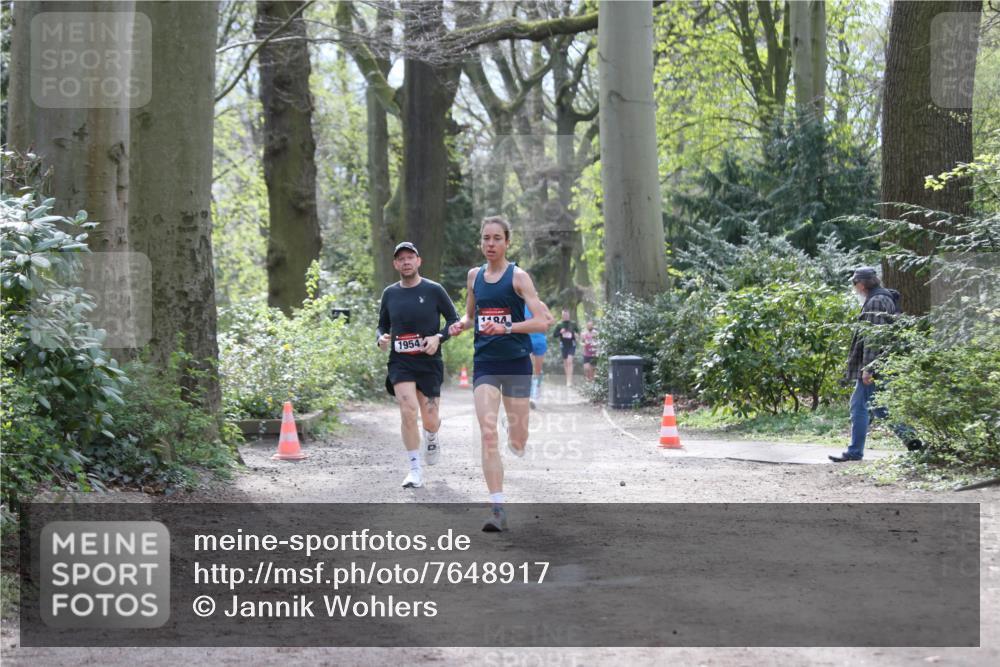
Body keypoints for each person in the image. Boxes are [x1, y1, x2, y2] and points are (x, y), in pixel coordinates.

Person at [448, 216, 554, 532]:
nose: (490, 244)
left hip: (517, 363)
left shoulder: (519, 278)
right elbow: (471, 315)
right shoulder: (473, 277)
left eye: (496, 238)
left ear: (507, 242)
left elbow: (542, 321)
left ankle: (516, 431)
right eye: (485, 238)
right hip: (486, 365)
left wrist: (507, 326)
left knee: (518, 440)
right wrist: (460, 325)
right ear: (480, 242)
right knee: (487, 432)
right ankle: (497, 507)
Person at [377, 242, 459, 488]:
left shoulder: (434, 290)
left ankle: (432, 435)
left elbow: (454, 321)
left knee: (430, 418)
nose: (406, 262)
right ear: (395, 264)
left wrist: (439, 337)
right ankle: (414, 469)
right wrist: (380, 338)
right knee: (408, 410)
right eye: (400, 259)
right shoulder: (390, 293)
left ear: (418, 261)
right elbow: (382, 325)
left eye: (410, 257)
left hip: (429, 362)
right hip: (401, 362)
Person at [829, 267, 922, 463]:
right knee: (879, 408)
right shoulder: (883, 298)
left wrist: (868, 368)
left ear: (861, 284)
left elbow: (873, 338)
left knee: (860, 406)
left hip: (875, 367)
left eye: (855, 285)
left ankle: (855, 452)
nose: (855, 289)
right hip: (881, 364)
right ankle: (914, 442)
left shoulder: (877, 301)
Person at [525, 304, 547, 409]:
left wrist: (542, 324)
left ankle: (535, 393)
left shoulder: (540, 305)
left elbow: (551, 320)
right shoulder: (521, 305)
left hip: (539, 340)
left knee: (537, 371)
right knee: (529, 369)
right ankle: (530, 396)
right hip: (526, 340)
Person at [553, 309, 579, 387]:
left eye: (567, 315)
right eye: (564, 315)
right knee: (565, 363)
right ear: (562, 316)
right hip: (563, 345)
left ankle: (569, 381)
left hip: (572, 345)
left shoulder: (573, 324)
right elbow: (554, 335)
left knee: (569, 361)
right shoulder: (559, 324)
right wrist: (560, 332)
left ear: (569, 315)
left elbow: (578, 332)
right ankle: (567, 379)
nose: (566, 316)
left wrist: (577, 335)